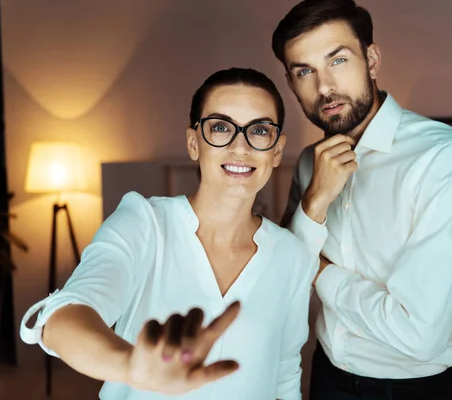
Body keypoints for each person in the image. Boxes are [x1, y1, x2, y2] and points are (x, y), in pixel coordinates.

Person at [20, 67, 317, 400]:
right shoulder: (143, 222)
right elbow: (63, 317)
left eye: (260, 130)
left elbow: (285, 373)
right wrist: (131, 366)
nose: (240, 146)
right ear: (194, 142)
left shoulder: (293, 256)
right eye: (220, 127)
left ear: (276, 150)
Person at [271, 1, 452, 399]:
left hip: (409, 391)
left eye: (337, 60)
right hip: (325, 376)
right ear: (290, 82)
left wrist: (320, 272)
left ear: (371, 59)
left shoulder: (443, 158)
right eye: (305, 71)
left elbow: (420, 334)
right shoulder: (308, 164)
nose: (324, 87)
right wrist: (315, 200)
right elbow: (284, 284)